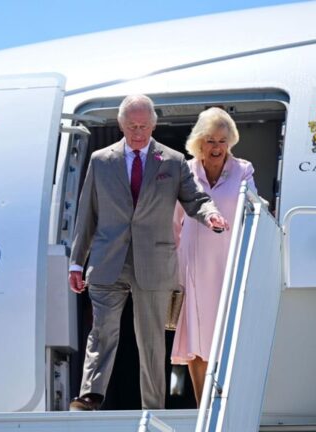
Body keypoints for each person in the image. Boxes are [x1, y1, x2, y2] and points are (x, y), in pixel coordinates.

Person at [68, 95, 229, 411]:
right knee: (102, 331)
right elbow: (87, 213)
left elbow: (195, 198)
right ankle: (90, 394)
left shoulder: (172, 161)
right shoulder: (101, 160)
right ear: (121, 124)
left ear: (153, 125)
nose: (138, 132)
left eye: (143, 126)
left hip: (154, 261)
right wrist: (76, 261)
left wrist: (210, 214)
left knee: (152, 340)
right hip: (108, 260)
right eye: (132, 126)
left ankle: (153, 408)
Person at [170, 107, 258, 407]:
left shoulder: (243, 170)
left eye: (222, 141)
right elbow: (174, 222)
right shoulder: (186, 171)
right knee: (196, 340)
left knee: (227, 336)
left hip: (228, 264)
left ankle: (229, 404)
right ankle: (203, 407)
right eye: (210, 140)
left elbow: (254, 209)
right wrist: (171, 266)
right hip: (193, 265)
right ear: (199, 142)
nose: (217, 147)